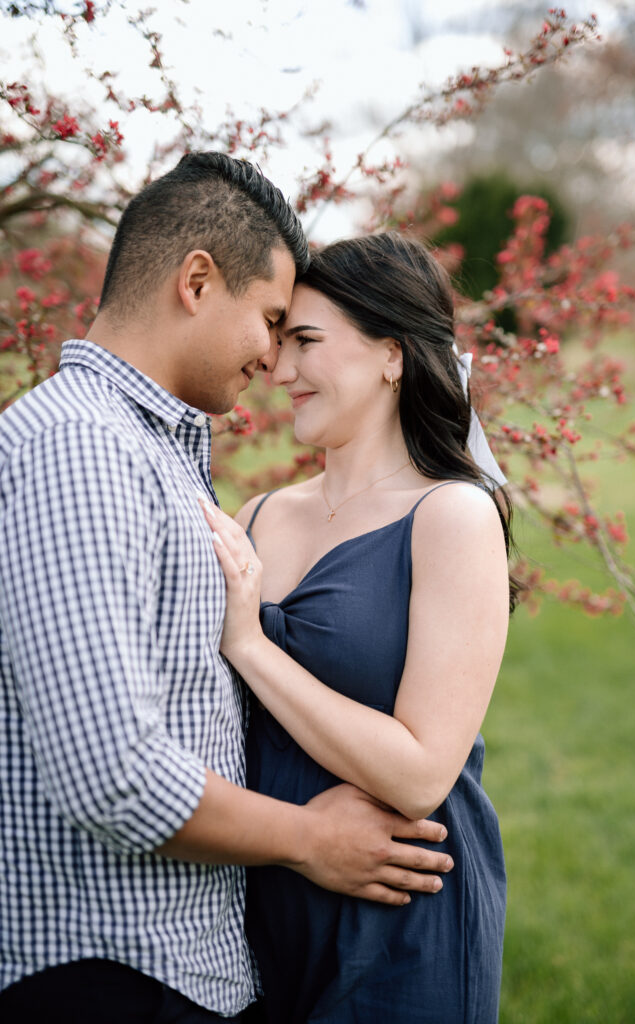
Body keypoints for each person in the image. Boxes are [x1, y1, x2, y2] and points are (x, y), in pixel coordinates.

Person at [0, 155, 453, 1023]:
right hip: (108, 969)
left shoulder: (151, 449)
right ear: (198, 282)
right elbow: (113, 771)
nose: (275, 356)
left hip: (173, 964)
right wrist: (310, 840)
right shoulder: (81, 447)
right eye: (273, 320)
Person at [200, 232, 516, 1023]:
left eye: (307, 342)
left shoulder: (451, 517)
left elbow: (419, 775)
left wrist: (249, 645)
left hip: (402, 915)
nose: (279, 371)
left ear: (393, 355)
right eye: (279, 343)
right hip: (262, 904)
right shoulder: (260, 516)